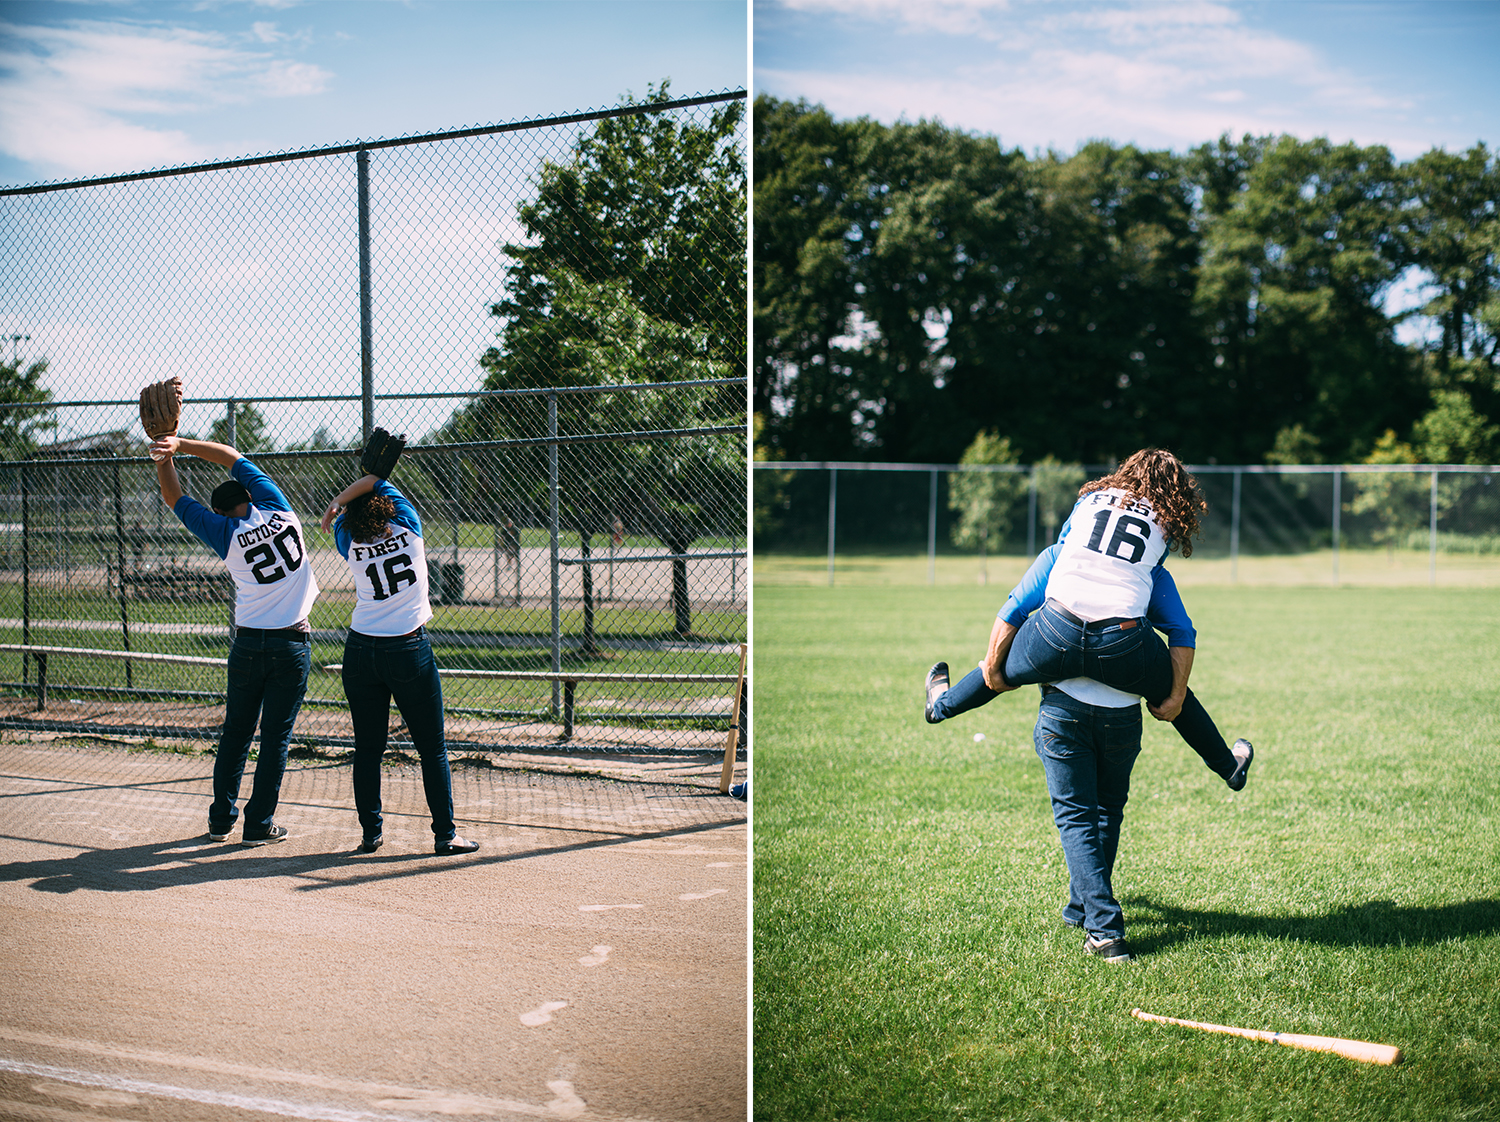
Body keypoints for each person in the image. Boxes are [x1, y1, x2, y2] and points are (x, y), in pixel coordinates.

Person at [925, 448, 1253, 791]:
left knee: (1002, 661)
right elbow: (1182, 632)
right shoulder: (1160, 529)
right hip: (1122, 643)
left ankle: (941, 707)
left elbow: (1015, 606)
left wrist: (994, 666)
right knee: (1175, 691)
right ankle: (1228, 767)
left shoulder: (1087, 511)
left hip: (1055, 631)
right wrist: (1176, 694)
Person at [149, 436, 319, 846]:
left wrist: (163, 457)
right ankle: (258, 824)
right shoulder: (280, 509)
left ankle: (221, 822)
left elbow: (173, 496)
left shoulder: (223, 532)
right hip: (291, 643)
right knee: (275, 738)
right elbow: (230, 456)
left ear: (221, 512)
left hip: (247, 645)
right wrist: (181, 441)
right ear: (250, 496)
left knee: (236, 734)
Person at [322, 470, 479, 856]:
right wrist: (343, 497)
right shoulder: (408, 526)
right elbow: (376, 480)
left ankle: (370, 834)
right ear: (388, 508)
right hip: (407, 649)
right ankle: (445, 835)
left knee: (368, 748)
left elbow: (347, 518)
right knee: (432, 748)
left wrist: (337, 509)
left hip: (360, 651)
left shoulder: (348, 540)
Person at [1031, 678, 1145, 963]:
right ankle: (1079, 910)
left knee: (1076, 818)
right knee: (1107, 811)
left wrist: (993, 671)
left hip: (1065, 704)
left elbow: (1011, 632)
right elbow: (1180, 633)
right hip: (1124, 709)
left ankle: (1105, 932)